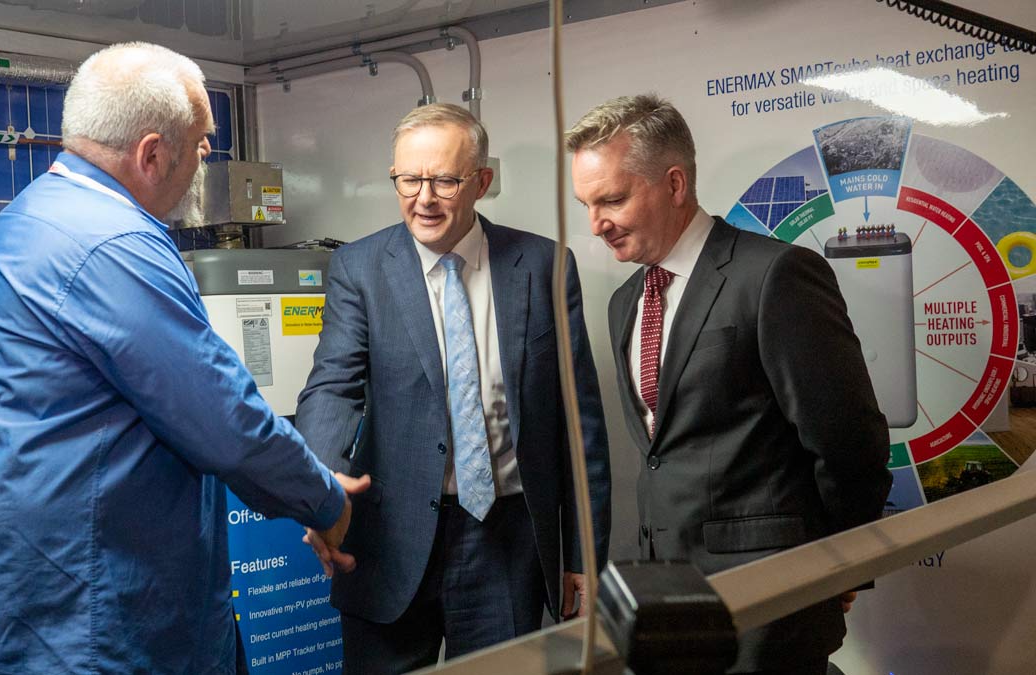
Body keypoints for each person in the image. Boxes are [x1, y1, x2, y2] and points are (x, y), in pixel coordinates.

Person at [0, 42, 367, 675]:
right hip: (83, 623)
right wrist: (326, 502)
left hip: (13, 610)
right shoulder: (115, 242)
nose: (206, 156)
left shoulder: (27, 219)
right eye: (202, 142)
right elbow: (224, 420)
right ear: (152, 154)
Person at [567, 94, 892, 675]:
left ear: (674, 183)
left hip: (769, 603)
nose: (597, 224)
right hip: (668, 609)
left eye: (612, 199)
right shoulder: (625, 304)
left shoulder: (774, 275)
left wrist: (842, 561)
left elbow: (848, 440)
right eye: (587, 205)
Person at [295, 103, 611, 674]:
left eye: (444, 179)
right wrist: (324, 482)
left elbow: (577, 421)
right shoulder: (359, 268)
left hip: (507, 540)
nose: (424, 198)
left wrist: (583, 554)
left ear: (482, 181)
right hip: (388, 537)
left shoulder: (543, 265)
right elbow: (332, 388)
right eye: (408, 180)